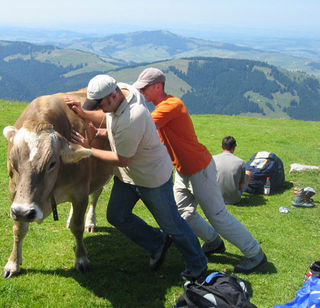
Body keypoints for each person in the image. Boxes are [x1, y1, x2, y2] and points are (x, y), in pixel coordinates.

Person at [66, 74, 208, 280]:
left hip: (151, 179)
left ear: (113, 97)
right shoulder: (124, 91)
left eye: (100, 105)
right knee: (117, 215)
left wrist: (87, 150)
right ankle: (157, 243)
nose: (100, 109)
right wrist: (84, 113)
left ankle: (198, 264)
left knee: (172, 224)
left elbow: (122, 158)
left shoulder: (133, 116)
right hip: (128, 177)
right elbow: (109, 118)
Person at [133, 67, 267, 274]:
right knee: (182, 212)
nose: (141, 93)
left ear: (158, 86)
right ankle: (213, 241)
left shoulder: (171, 105)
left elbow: (140, 126)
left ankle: (255, 253)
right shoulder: (161, 107)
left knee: (218, 216)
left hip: (199, 168)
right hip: (183, 170)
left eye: (144, 89)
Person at [213, 136, 251, 204]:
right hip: (234, 199)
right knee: (248, 173)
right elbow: (242, 185)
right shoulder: (240, 162)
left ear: (221, 146)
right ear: (234, 148)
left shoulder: (213, 159)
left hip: (215, 196)